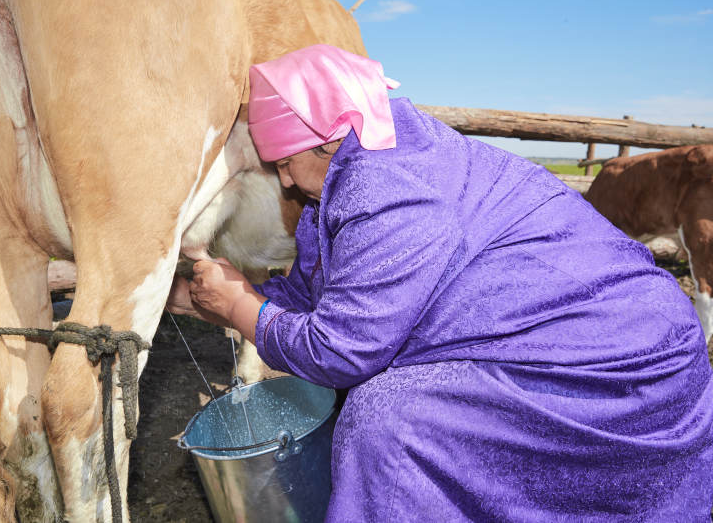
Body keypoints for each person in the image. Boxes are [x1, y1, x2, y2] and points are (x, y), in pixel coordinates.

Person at [166, 44, 713, 522]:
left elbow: (339, 350)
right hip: (594, 332)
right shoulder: (366, 164)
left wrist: (241, 305)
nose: (283, 179)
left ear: (327, 140)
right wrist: (195, 299)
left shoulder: (386, 186)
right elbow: (336, 298)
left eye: (284, 163)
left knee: (390, 417)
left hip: (617, 363)